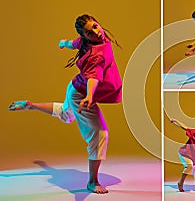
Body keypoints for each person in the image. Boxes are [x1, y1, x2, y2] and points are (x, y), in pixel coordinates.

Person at [8, 14, 122, 194]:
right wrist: (90, 95)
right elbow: (93, 76)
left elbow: (73, 43)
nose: (96, 32)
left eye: (95, 26)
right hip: (81, 94)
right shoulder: (95, 55)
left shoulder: (91, 40)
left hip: (74, 87)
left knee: (65, 114)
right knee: (99, 134)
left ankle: (30, 105)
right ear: (85, 36)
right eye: (89, 32)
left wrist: (64, 43)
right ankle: (93, 182)